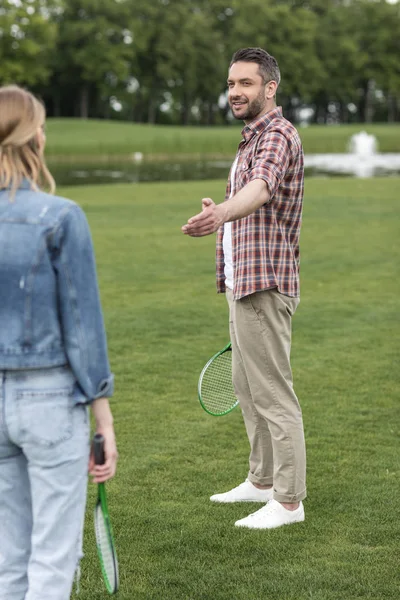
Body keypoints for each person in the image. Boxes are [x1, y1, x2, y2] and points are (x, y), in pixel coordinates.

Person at [0, 85, 117, 599]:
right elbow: (83, 327)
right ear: (32, 139)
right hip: (48, 401)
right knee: (51, 558)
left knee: (8, 561)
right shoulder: (60, 216)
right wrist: (104, 419)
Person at [182, 48, 306, 530]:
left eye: (246, 84)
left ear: (269, 88)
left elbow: (262, 188)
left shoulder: (278, 134)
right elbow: (245, 193)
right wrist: (225, 210)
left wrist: (223, 212)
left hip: (265, 283)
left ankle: (290, 501)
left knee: (274, 392)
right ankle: (261, 480)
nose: (235, 92)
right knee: (247, 388)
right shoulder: (249, 139)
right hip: (241, 283)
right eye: (232, 83)